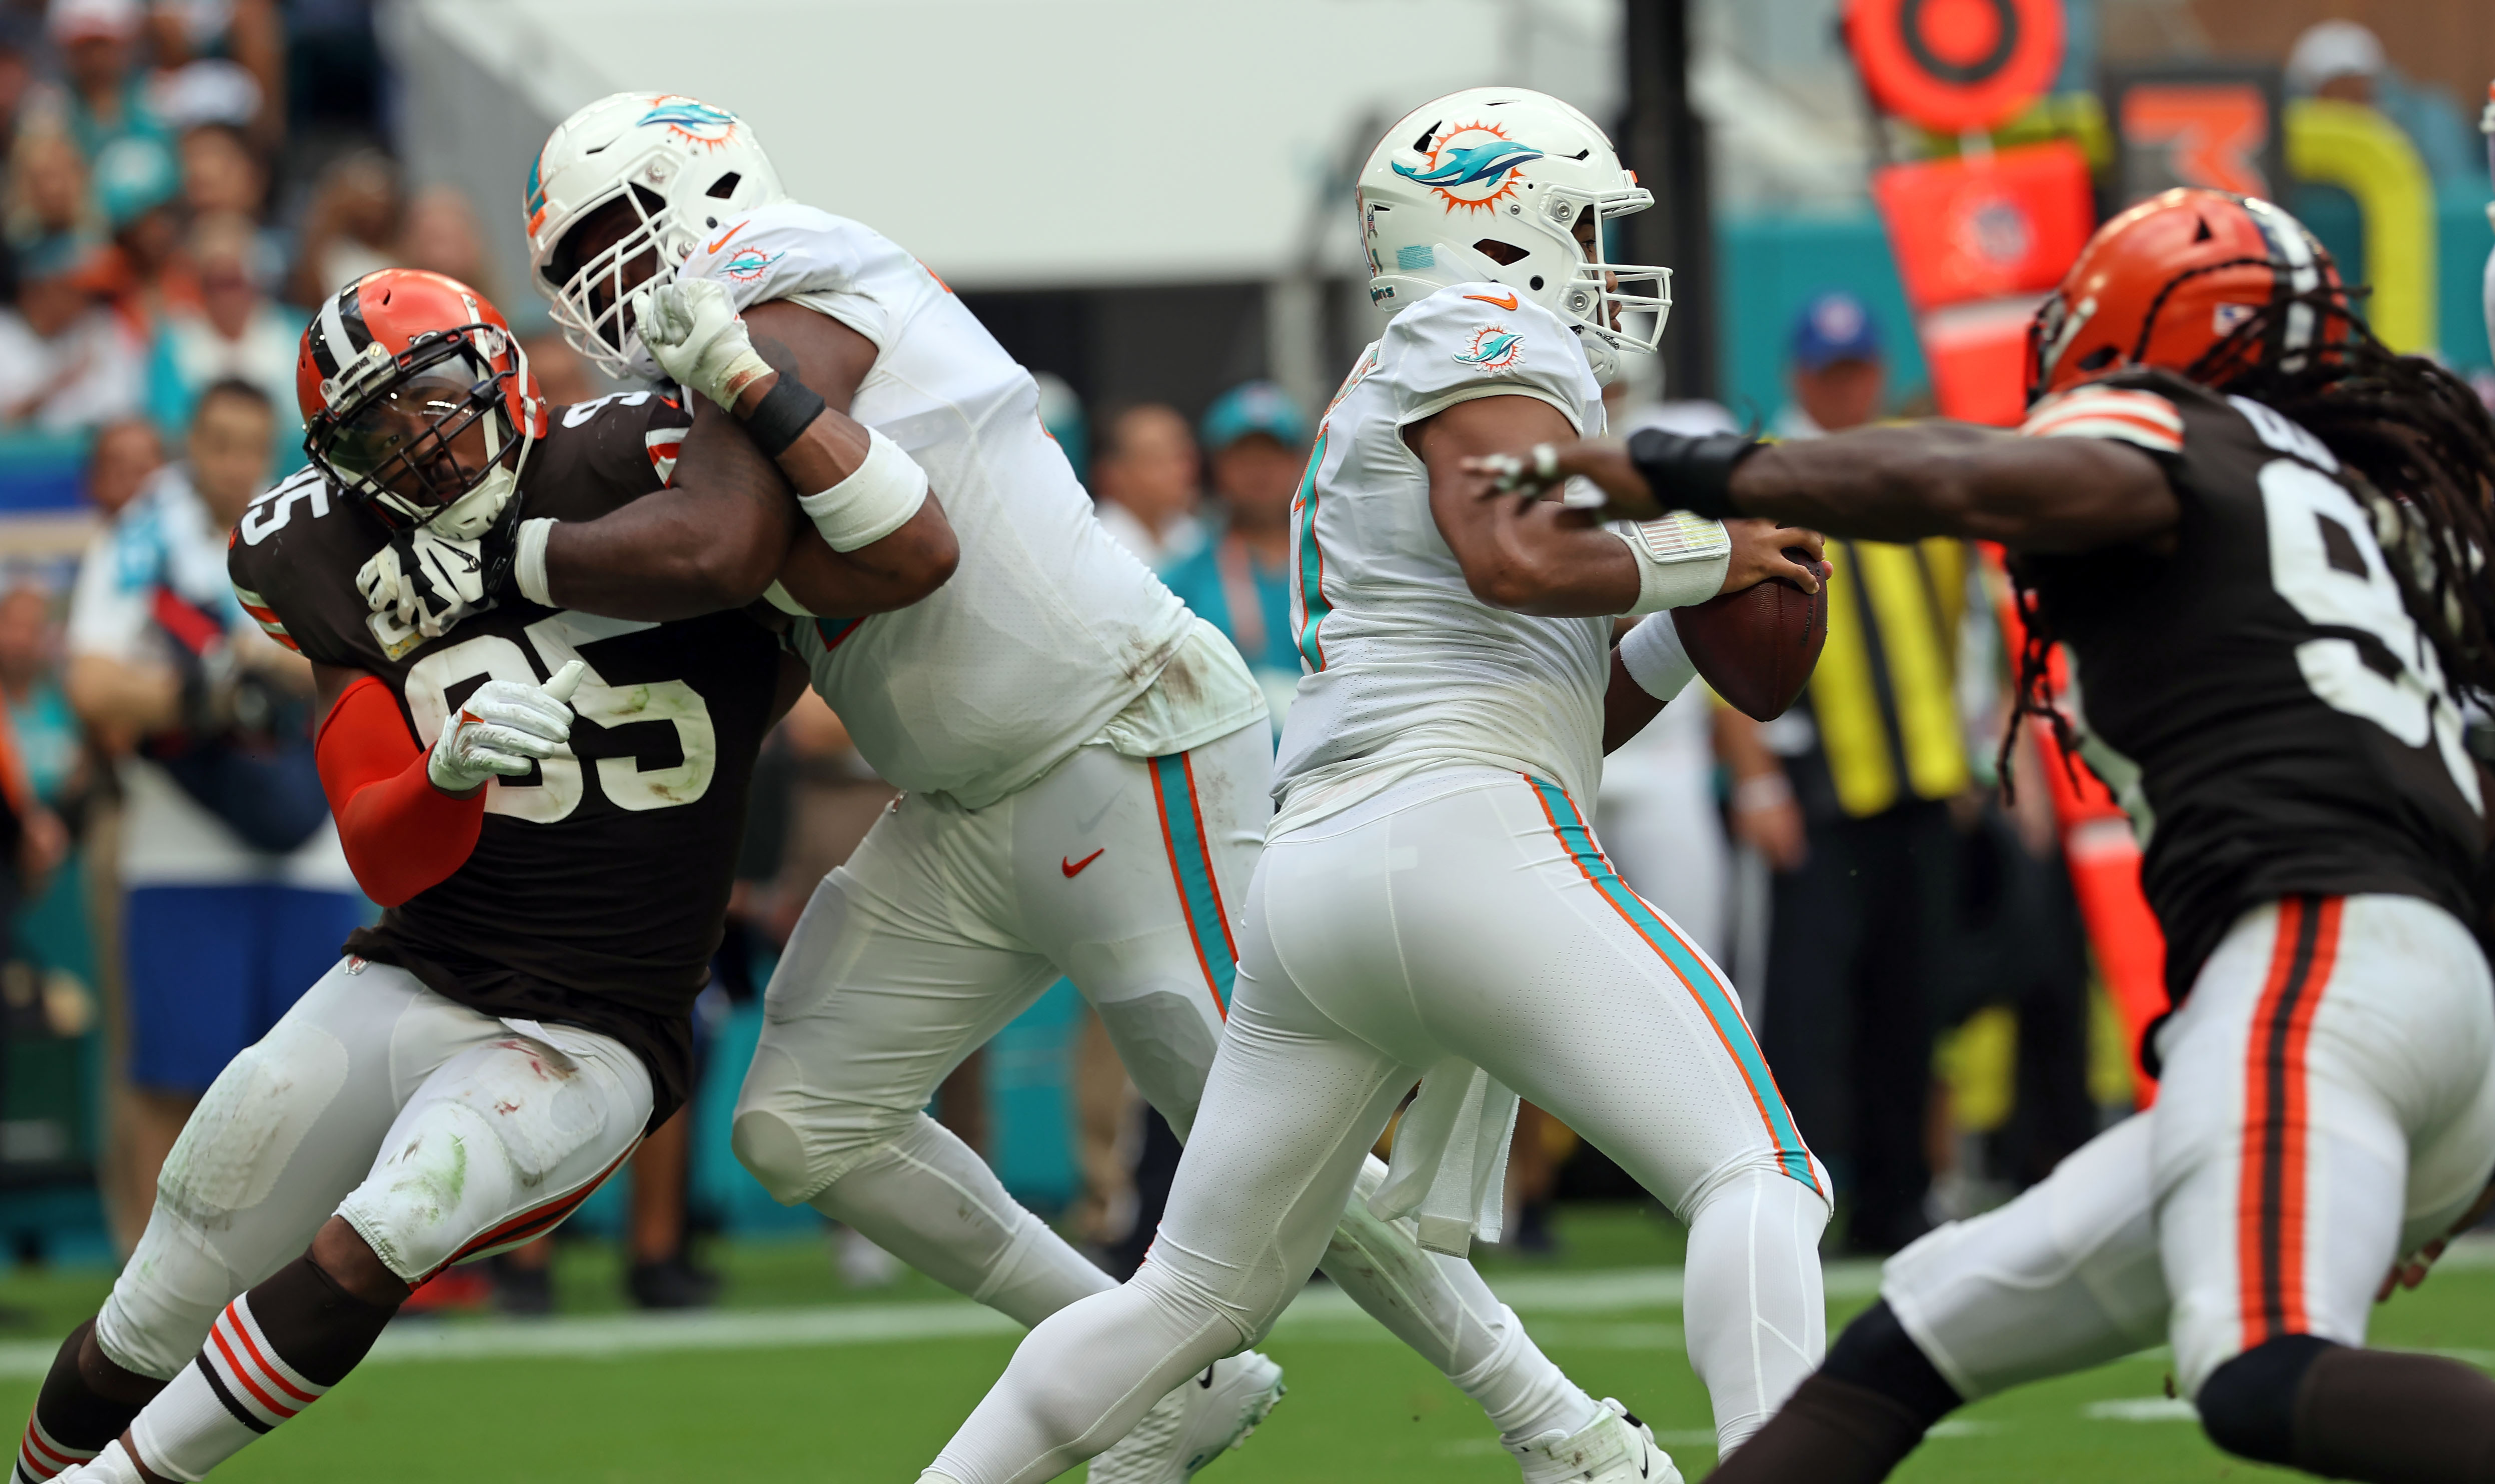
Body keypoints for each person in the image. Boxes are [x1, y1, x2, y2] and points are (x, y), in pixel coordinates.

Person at [503, 90, 1636, 1482]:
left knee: (1269, 1145)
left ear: (703, 187)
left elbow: (728, 540)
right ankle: (1163, 1368)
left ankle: (1566, 1427)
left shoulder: (785, 262)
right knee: (799, 1118)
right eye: (579, 259)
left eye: (618, 227)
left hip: (1119, 735)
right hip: (960, 798)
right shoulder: (701, 359)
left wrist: (512, 551)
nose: (601, 278)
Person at [1486, 188, 2495, 1484]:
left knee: (2257, 1368)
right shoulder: (2356, 508)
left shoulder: (2175, 431)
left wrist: (1707, 471)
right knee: (1906, 1338)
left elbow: (1958, 472)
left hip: (2315, 957)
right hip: (2414, 986)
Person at [917, 87, 1831, 1484]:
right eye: (1580, 221)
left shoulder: (1446, 368)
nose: (1597, 255)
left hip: (1334, 878)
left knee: (1184, 1299)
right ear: (1503, 222)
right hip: (1459, 836)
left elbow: (1558, 689)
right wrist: (1710, 552)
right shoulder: (1478, 332)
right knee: (1759, 1176)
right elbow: (1509, 559)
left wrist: (1703, 604)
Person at [12, 267, 898, 1484]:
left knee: (400, 1217)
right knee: (163, 1284)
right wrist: (442, 771)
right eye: (382, 426)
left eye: (436, 395)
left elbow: (883, 552)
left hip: (595, 1024)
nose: (425, 441)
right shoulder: (322, 551)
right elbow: (381, 843)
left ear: (498, 370)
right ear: (338, 456)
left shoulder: (638, 463)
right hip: (420, 970)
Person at [60, 377, 356, 1230]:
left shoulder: (318, 524)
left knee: (316, 1087)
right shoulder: (143, 536)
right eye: (217, 442)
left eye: (248, 444)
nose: (233, 463)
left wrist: (262, 665)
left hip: (312, 842)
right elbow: (91, 681)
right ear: (192, 440)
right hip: (178, 844)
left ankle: (308, 1284)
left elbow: (368, 658)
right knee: (174, 1078)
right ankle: (153, 1281)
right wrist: (201, 694)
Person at [1731, 290, 1975, 1253]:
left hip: (1919, 776)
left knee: (1912, 1004)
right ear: (1798, 377)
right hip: (1818, 785)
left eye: (1859, 369)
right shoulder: (1763, 476)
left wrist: (1963, 752)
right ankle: (1806, 1201)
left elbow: (1964, 621)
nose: (1846, 387)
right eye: (1828, 372)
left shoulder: (1908, 471)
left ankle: (1897, 1199)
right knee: (1809, 1011)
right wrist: (1753, 779)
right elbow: (1721, 635)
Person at [1157, 380, 1309, 726]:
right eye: (1244, 457)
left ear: (1300, 463)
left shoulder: (1336, 565)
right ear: (1216, 468)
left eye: (1273, 455)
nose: (1259, 471)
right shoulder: (1180, 581)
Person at [144, 212, 303, 471]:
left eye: (233, 282)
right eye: (212, 283)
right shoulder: (172, 343)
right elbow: (168, 429)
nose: (224, 296)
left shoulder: (297, 335)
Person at [0, 234, 143, 432]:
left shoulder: (101, 329)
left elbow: (122, 412)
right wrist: (52, 388)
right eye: (80, 292)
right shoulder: (5, 333)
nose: (89, 304)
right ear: (41, 287)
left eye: (98, 296)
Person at [1088, 402, 1204, 566]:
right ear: (1113, 473)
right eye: (1158, 459)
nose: (1181, 471)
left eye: (1183, 457)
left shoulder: (1193, 535)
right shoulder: (1095, 546)